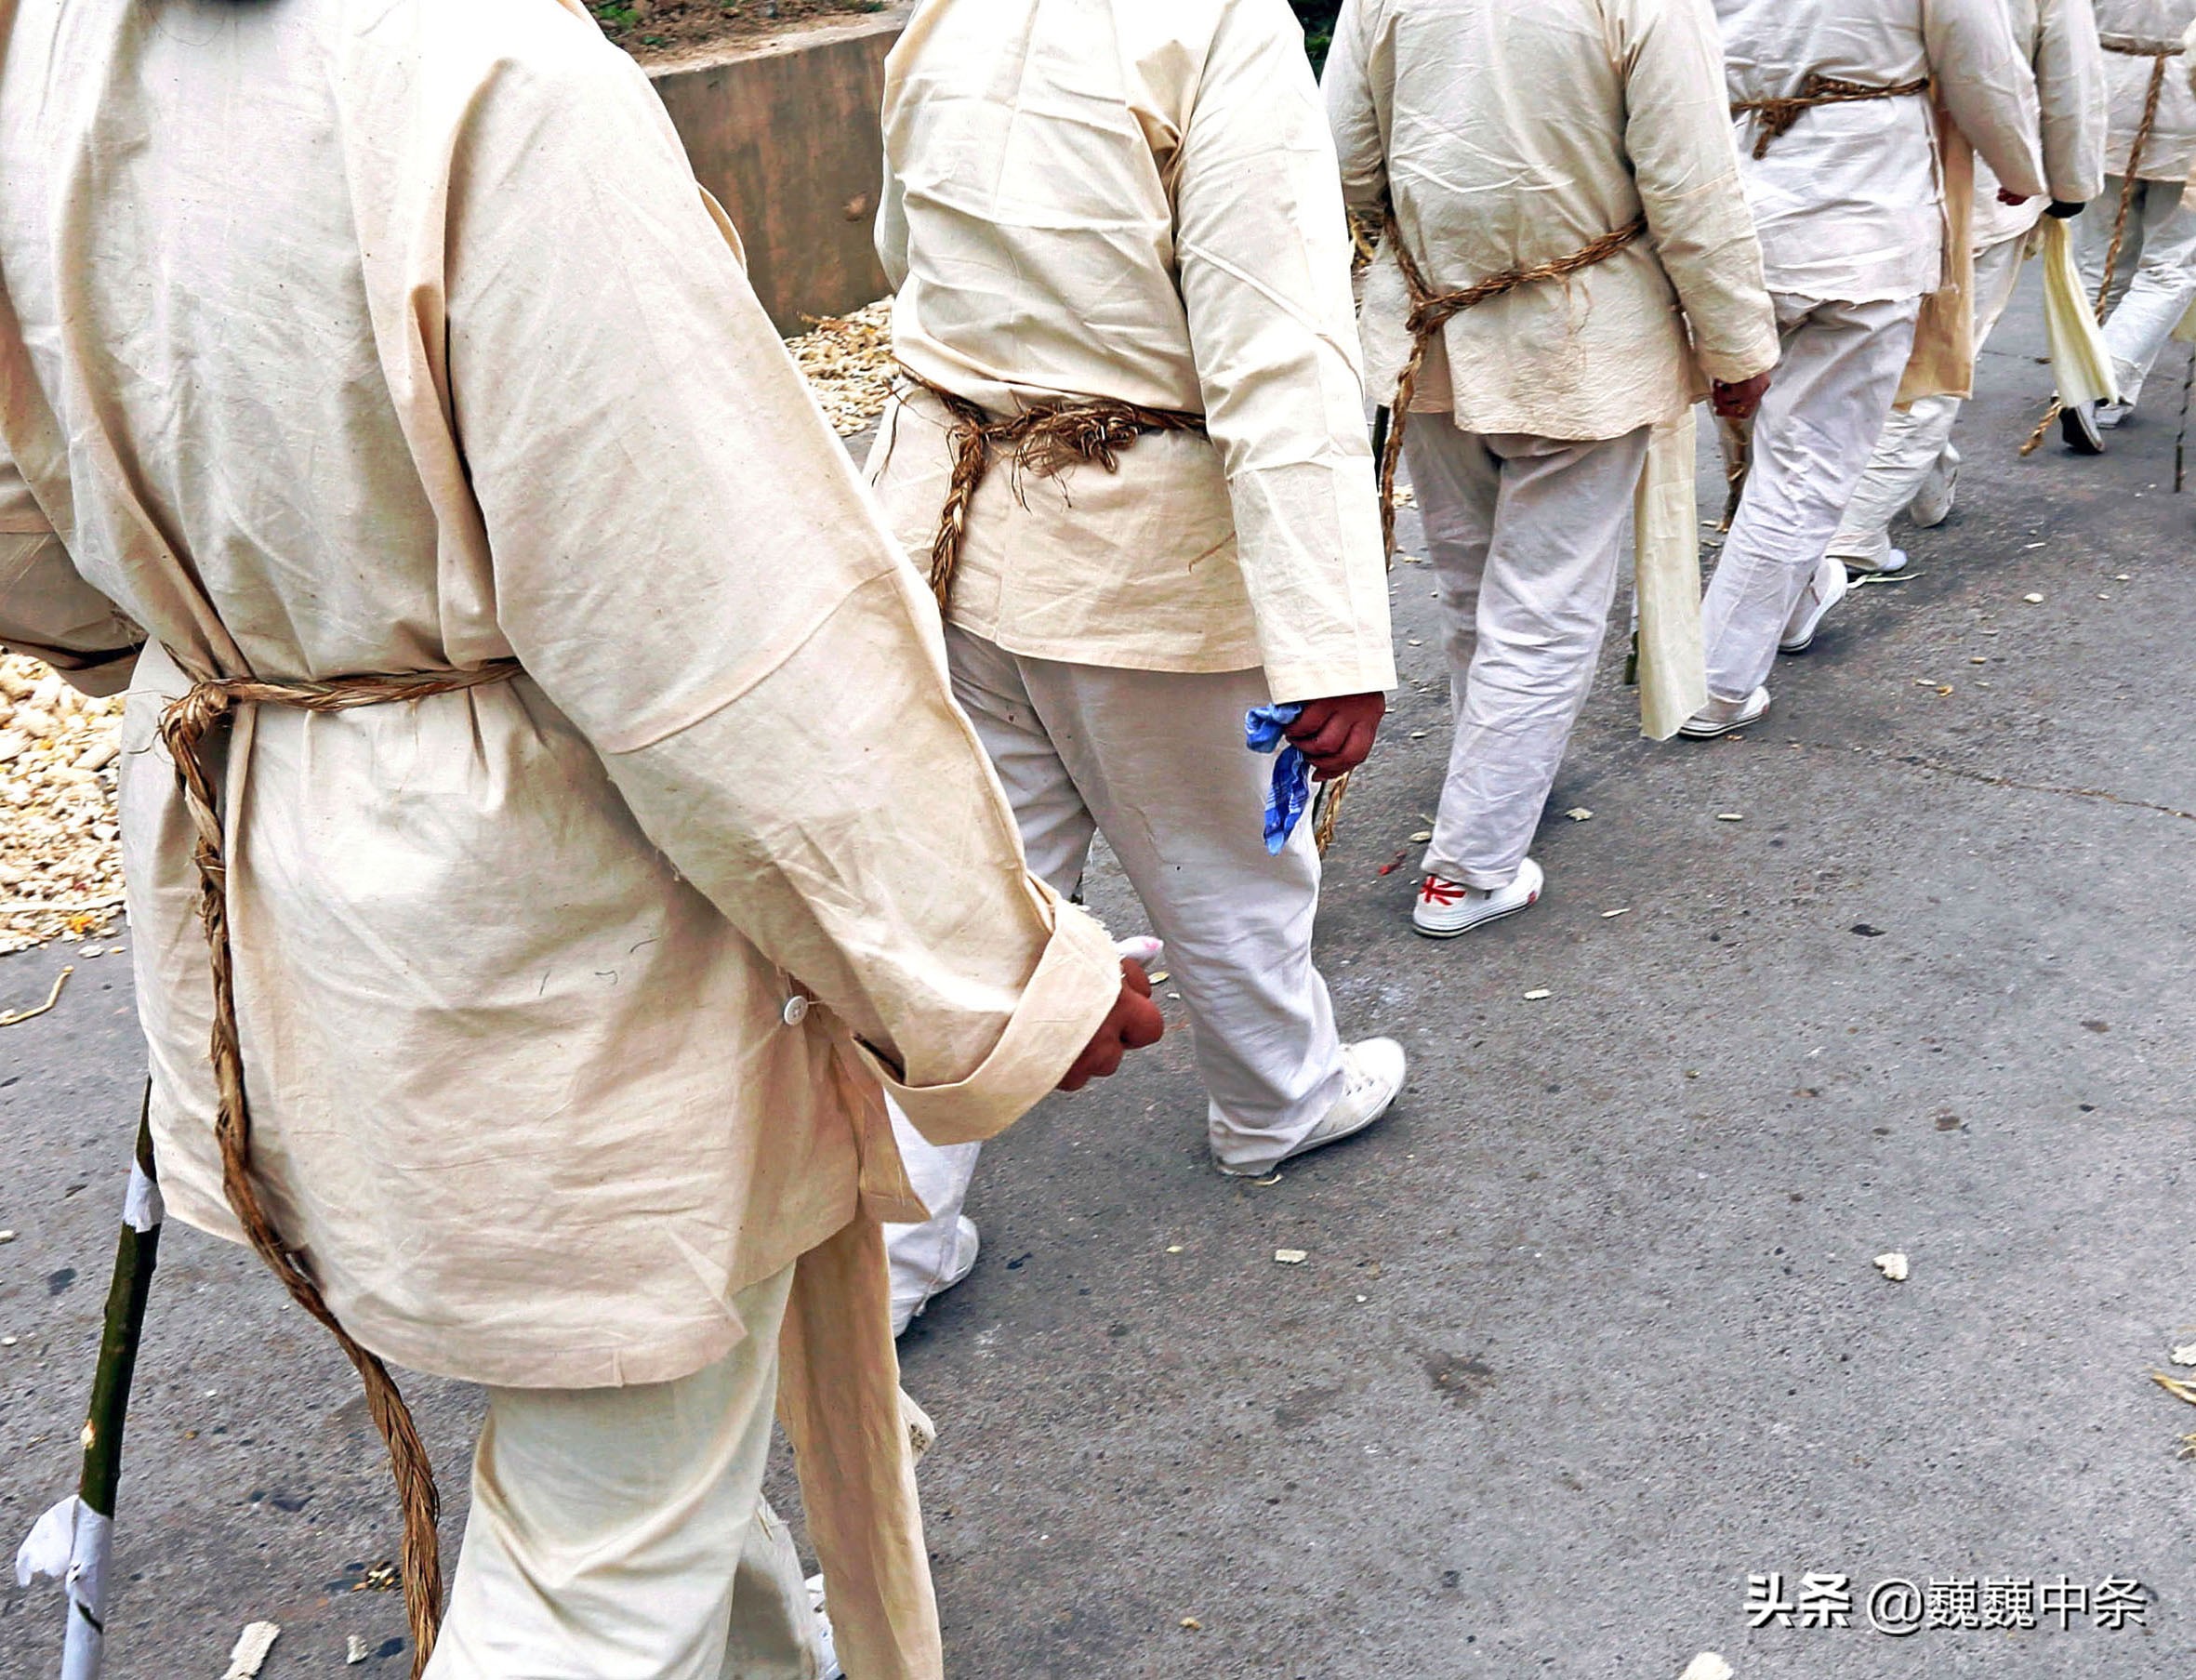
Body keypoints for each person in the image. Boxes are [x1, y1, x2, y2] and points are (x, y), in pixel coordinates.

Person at [0, 2, 1162, 1676]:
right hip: (559, 929)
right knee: (600, 1554)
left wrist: (223, 648)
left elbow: (29, 531)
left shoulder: (51, 53)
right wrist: (996, 988)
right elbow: (724, 646)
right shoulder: (487, 76)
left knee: (643, 1443)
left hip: (267, 857)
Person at [864, 0, 1407, 1253]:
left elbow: (909, 245)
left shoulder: (941, 14)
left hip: (949, 525)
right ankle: (1278, 1101)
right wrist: (1333, 644)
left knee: (978, 902)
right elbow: (1275, 349)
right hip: (1138, 560)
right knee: (1229, 864)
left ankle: (889, 1249)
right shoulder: (1219, 22)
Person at [1323, 0, 1779, 936]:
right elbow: (1692, 187)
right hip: (1579, 336)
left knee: (1471, 582)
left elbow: (1342, 163)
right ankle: (1471, 864)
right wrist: (1737, 346)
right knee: (1543, 607)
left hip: (1429, 319)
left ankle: (1491, 776)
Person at [1690, 0, 2047, 737]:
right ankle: (1717, 682)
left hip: (1720, 199)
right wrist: (2021, 168)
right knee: (1808, 457)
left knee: (1767, 445)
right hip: (1861, 214)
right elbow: (1982, 63)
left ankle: (1785, 609)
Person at [1832, 0, 2106, 566]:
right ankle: (1852, 533)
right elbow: (2056, 74)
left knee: (1855, 355)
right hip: (1968, 180)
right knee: (1937, 360)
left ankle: (1921, 487)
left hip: (1825, 177)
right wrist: (2060, 178)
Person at [2059, 0, 2196, 449]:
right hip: (2186, 100)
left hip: (2106, 95)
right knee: (2170, 267)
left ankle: (2099, 391)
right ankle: (2094, 383)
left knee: (2101, 259)